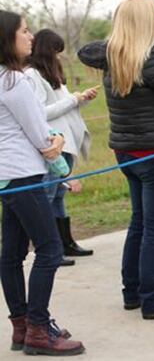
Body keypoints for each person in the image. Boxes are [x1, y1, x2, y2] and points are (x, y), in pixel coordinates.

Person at [78, 0, 154, 320]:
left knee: (140, 223)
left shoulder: (115, 57)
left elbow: (87, 50)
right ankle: (153, 299)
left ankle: (132, 291)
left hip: (128, 151)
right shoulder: (151, 61)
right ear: (145, 24)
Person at [1, 10, 85, 355]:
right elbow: (40, 135)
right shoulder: (14, 81)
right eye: (24, 31)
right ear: (8, 38)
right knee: (49, 249)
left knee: (11, 253)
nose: (31, 36)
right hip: (24, 173)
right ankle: (37, 327)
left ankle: (22, 325)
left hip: (7, 176)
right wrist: (57, 145)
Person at [25, 29, 97, 262]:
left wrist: (80, 99)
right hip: (53, 144)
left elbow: (64, 106)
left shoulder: (51, 74)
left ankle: (65, 242)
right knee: (47, 194)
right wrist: (72, 100)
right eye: (56, 52)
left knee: (57, 196)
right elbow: (39, 113)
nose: (59, 57)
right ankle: (47, 247)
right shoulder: (33, 76)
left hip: (67, 143)